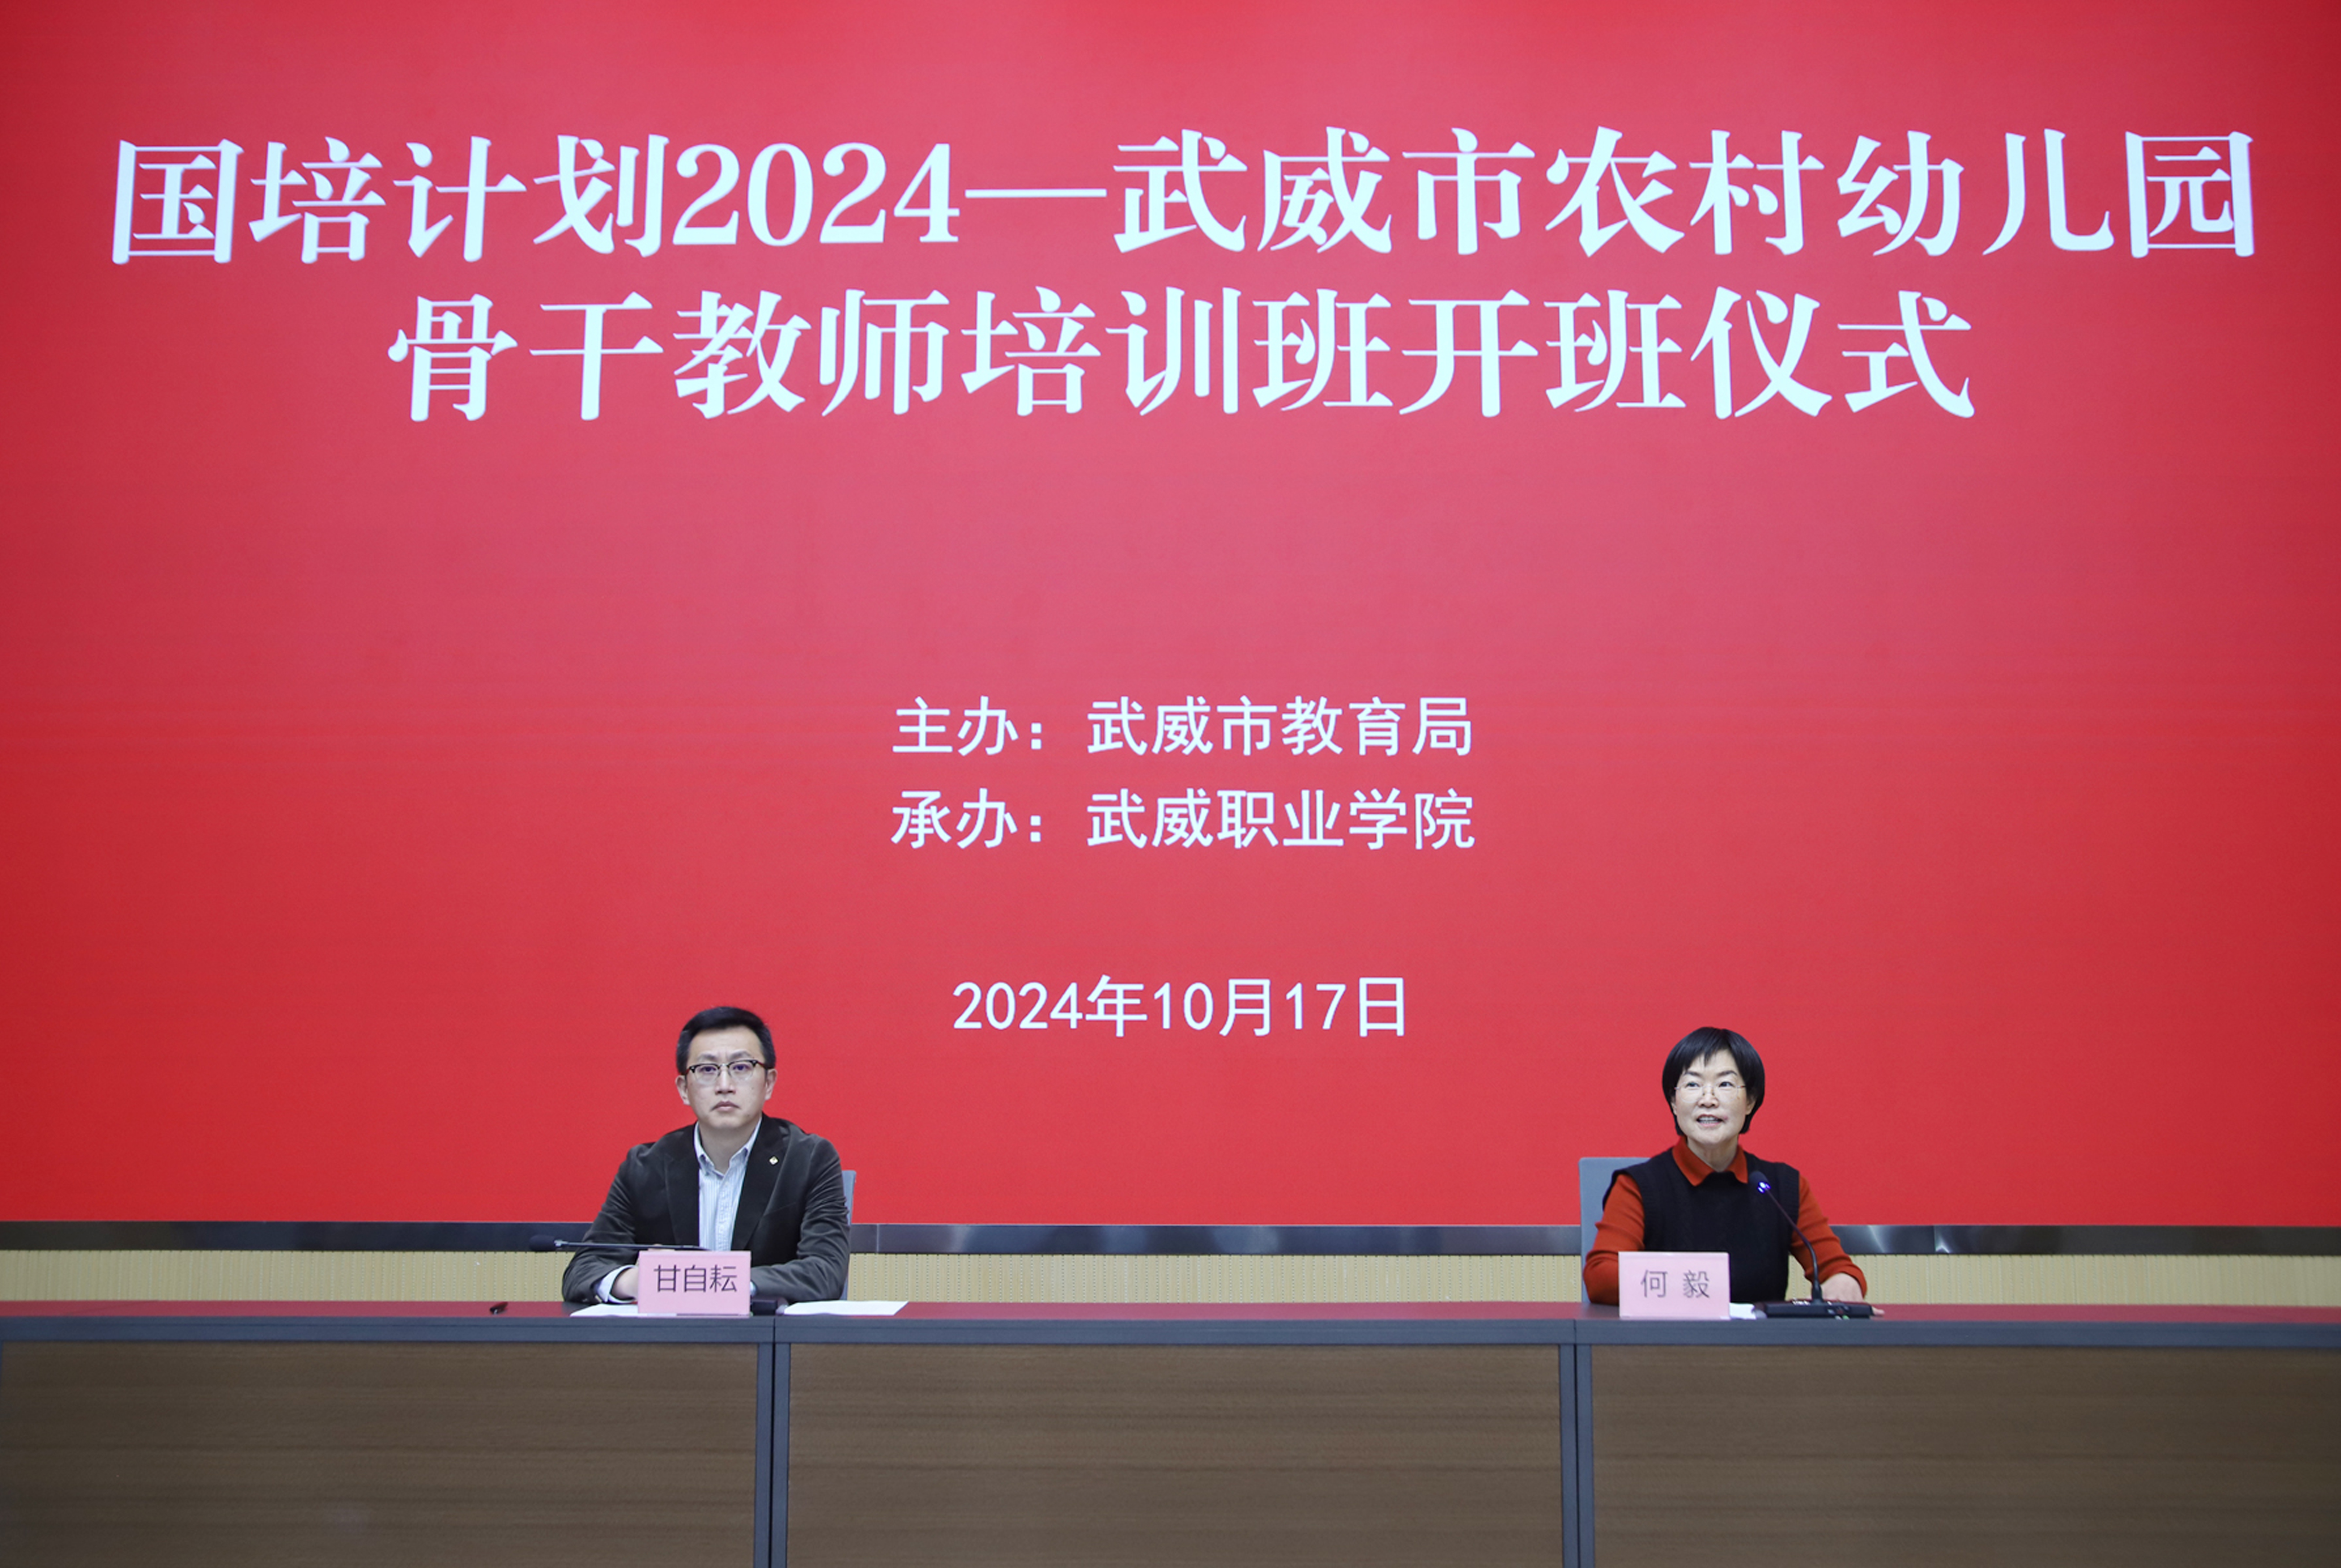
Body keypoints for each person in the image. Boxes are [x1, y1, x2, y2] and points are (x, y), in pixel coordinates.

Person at [562, 1005, 851, 1306]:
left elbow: (825, 1272)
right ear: (684, 1089)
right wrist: (638, 1281)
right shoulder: (645, 1167)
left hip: (767, 1334)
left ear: (768, 1083)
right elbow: (583, 1270)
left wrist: (713, 1283)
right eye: (707, 1070)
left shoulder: (809, 1159)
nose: (724, 1086)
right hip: (673, 1335)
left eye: (741, 1068)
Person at [1583, 1026, 1867, 1306]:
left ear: (1750, 1101)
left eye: (1725, 1085)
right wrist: (1700, 1284)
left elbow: (1837, 1268)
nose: (1708, 1100)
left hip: (1759, 1338)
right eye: (1693, 1085)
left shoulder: (1780, 1187)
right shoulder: (1639, 1187)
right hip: (1670, 1337)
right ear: (1674, 1102)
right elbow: (1600, 1277)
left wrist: (1844, 1282)